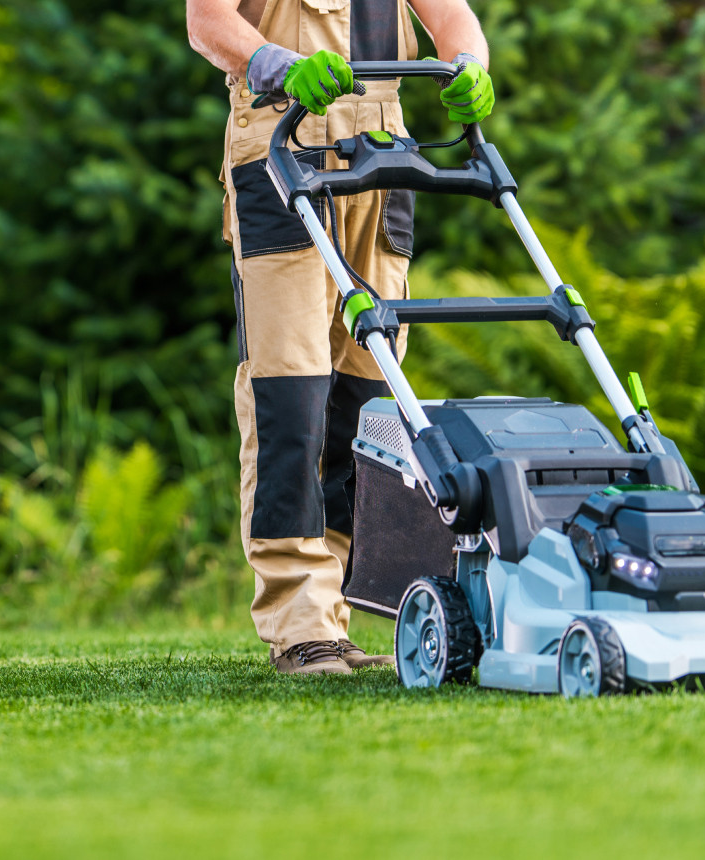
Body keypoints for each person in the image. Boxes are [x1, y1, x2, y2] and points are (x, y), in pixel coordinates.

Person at [186, 0, 494, 674]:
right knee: (289, 393)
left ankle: (339, 613)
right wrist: (278, 65)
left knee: (369, 401)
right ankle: (300, 620)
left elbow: (454, 19)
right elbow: (206, 21)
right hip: (280, 147)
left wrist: (470, 64)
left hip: (380, 161)